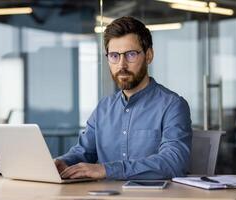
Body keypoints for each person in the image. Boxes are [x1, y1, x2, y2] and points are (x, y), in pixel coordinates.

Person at [55, 16, 192, 180]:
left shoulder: (173, 105)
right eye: (114, 56)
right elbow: (84, 152)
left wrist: (107, 170)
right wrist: (62, 162)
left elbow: (173, 163)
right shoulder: (103, 108)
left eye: (131, 54)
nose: (121, 65)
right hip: (105, 196)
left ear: (148, 55)